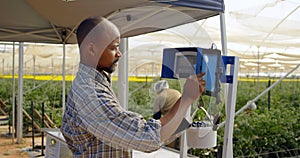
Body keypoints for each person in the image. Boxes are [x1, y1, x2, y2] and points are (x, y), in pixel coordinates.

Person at [60, 16, 206, 157]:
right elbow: (149, 138)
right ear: (91, 49)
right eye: (113, 47)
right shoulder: (90, 95)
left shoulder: (92, 82)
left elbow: (150, 136)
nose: (119, 53)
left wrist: (185, 111)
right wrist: (185, 99)